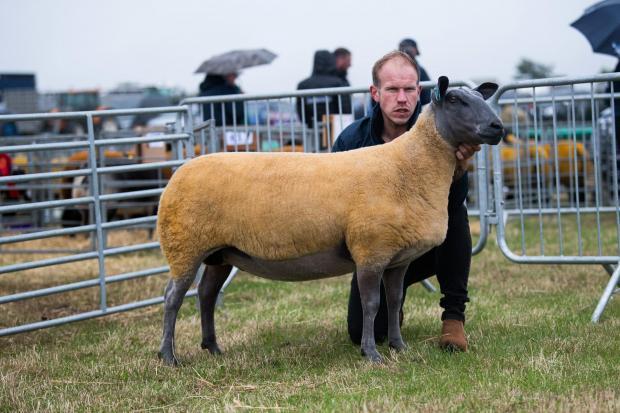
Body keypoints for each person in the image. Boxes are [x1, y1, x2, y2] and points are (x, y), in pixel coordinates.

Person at [332, 50, 480, 352]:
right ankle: (390, 304)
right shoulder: (352, 141)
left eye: (409, 89)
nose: (402, 98)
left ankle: (453, 318)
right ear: (375, 93)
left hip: (423, 246)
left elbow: (452, 202)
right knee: (358, 330)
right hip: (374, 251)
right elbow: (334, 206)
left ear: (420, 92)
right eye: (392, 89)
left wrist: (459, 170)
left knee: (455, 215)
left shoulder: (443, 136)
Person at [296, 50, 351, 129]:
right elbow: (346, 110)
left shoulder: (302, 85)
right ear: (331, 61)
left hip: (312, 132)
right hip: (336, 131)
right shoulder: (339, 83)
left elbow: (302, 113)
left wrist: (310, 125)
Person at [398, 38, 431, 106]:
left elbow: (426, 98)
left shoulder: (421, 71)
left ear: (415, 50)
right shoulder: (391, 70)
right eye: (403, 48)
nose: (406, 51)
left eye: (408, 48)